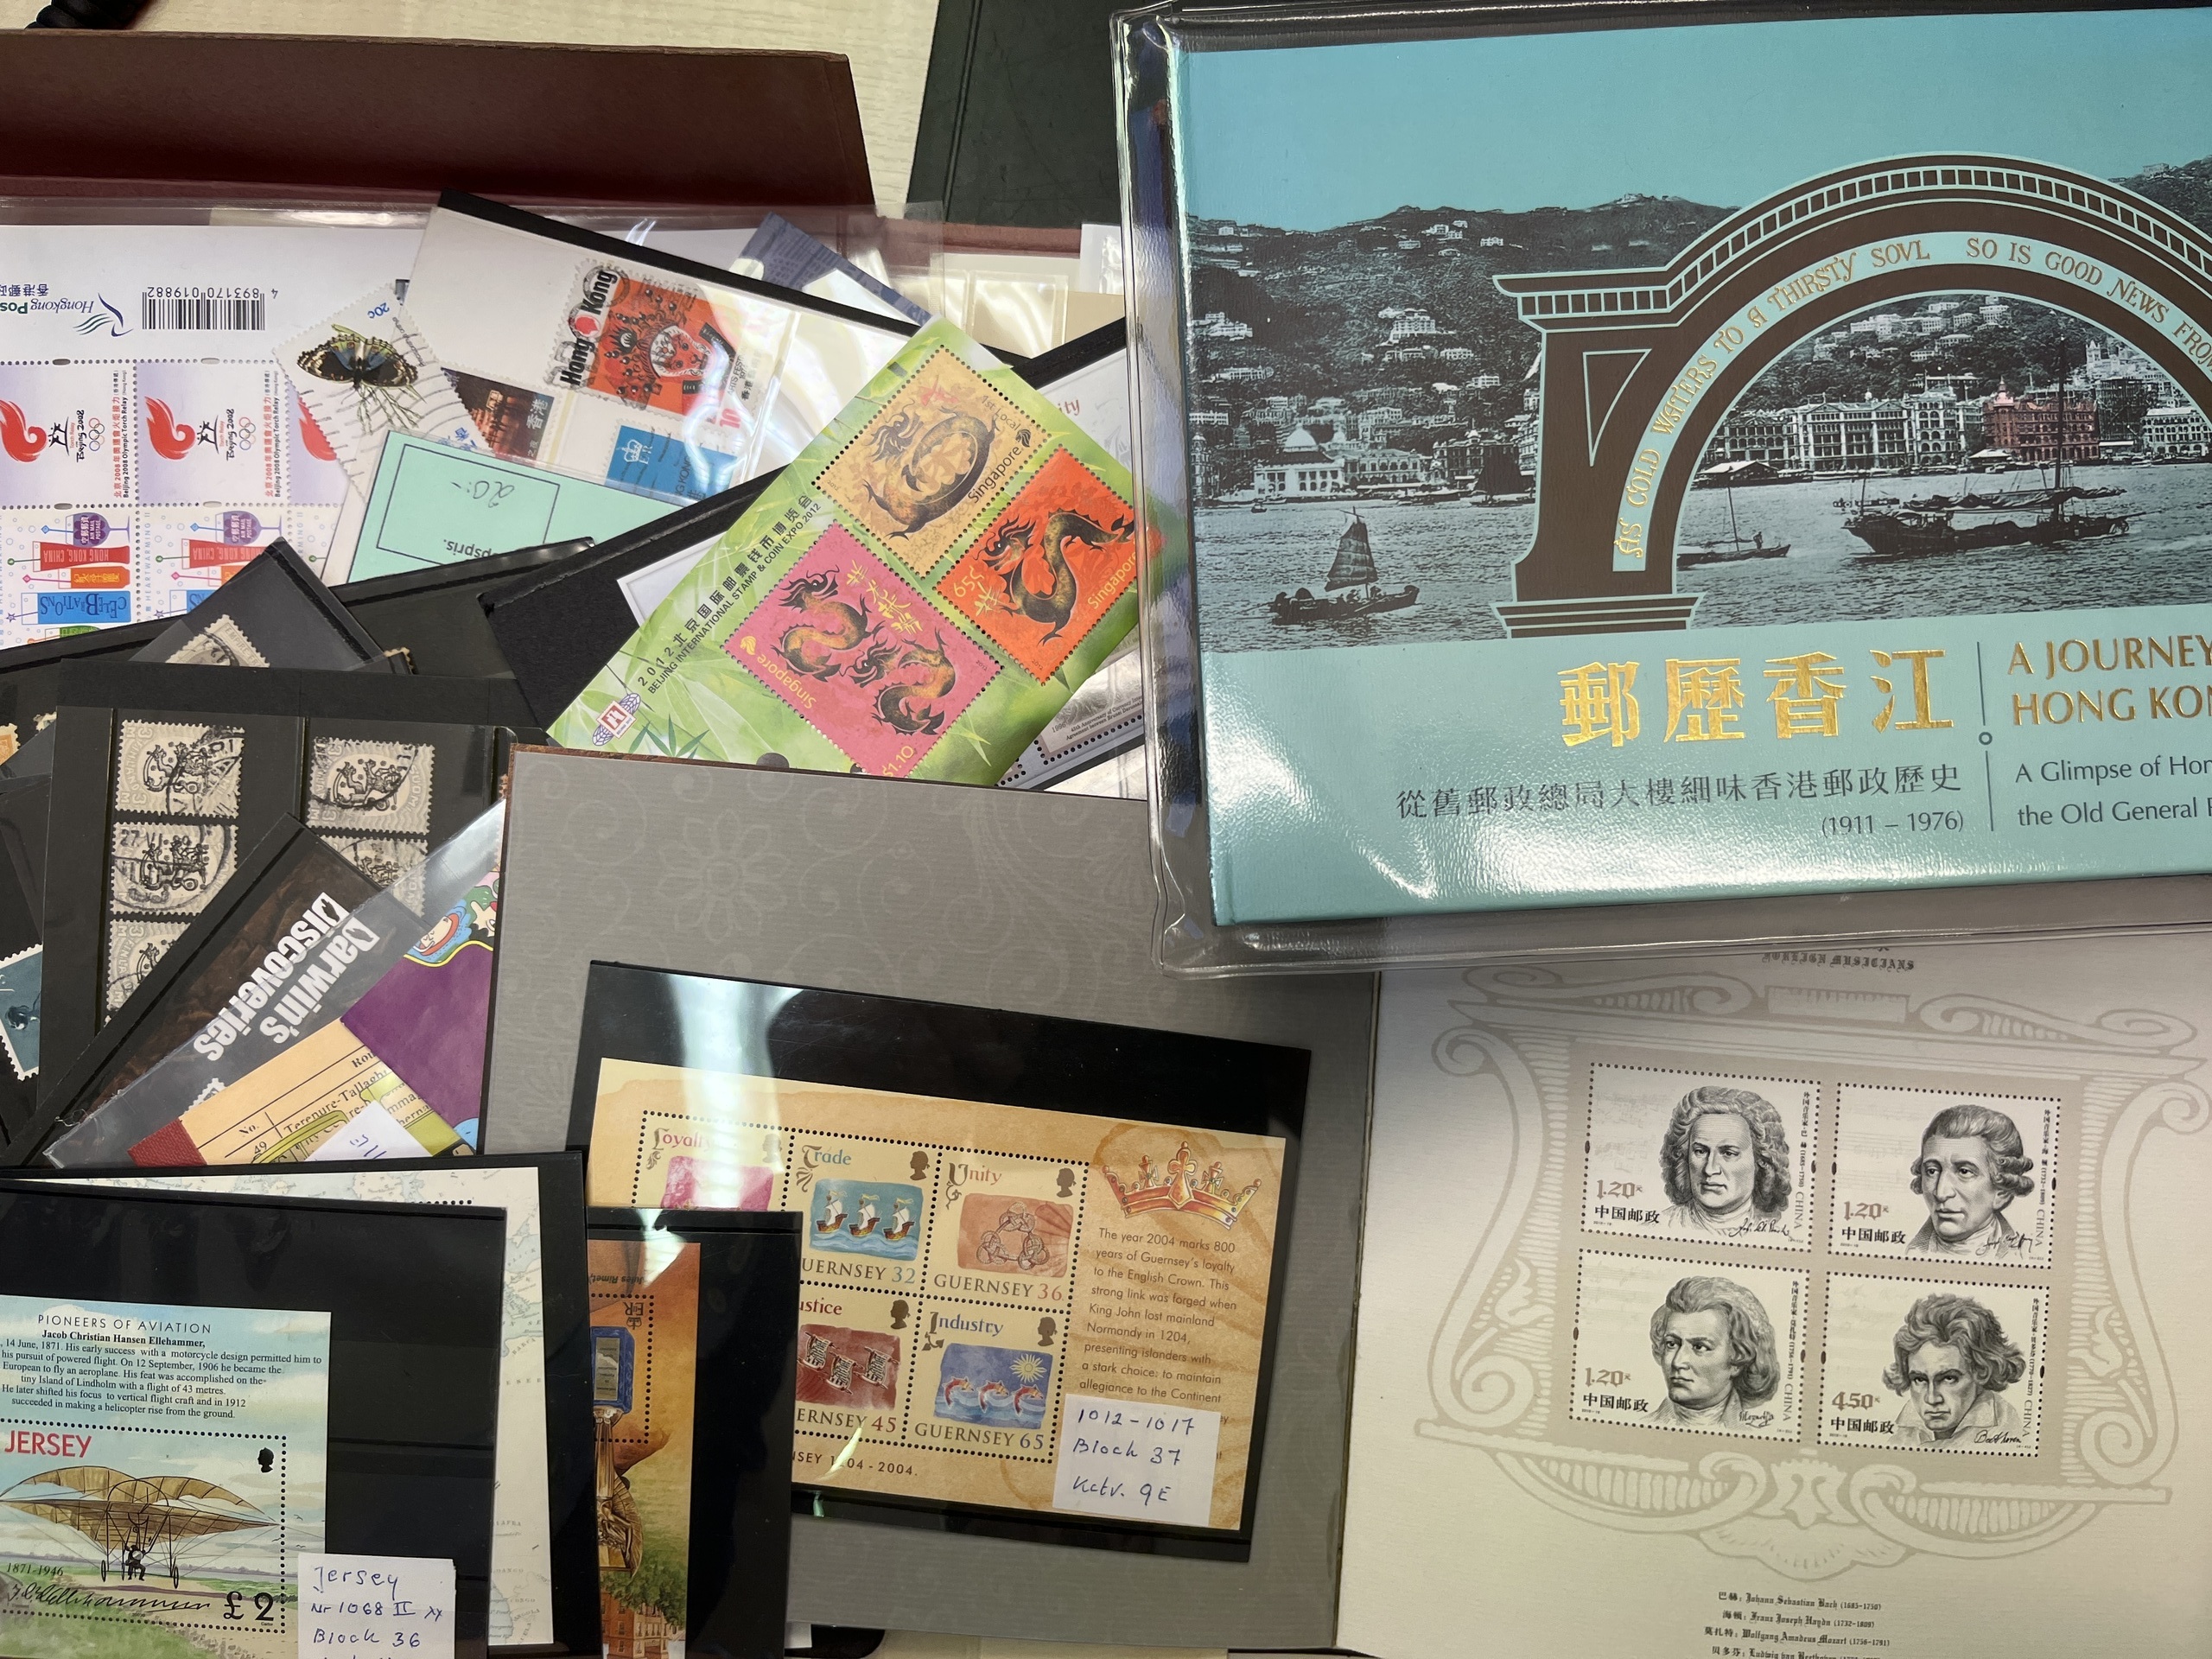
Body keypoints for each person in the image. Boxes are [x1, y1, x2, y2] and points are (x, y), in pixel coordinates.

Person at [1883, 1293, 2027, 1446]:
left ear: (1981, 1372)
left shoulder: (2007, 1429)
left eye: (1949, 1378)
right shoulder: (1903, 1432)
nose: (1932, 1399)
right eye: (1920, 1379)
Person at [1656, 1085, 1796, 1241]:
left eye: (1729, 1153)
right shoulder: (1658, 1228)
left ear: (1761, 1162)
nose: (1710, 1169)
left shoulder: (1782, 1236)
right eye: (1700, 1151)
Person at [1647, 1274, 1781, 1429]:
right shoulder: (1644, 1424)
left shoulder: (1757, 1432)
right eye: (1671, 1344)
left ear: (1738, 1359)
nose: (1678, 1362)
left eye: (1699, 1347)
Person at [1906, 1103, 2037, 1257]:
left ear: (2002, 1192)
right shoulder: (1910, 1252)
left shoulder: (2021, 1258)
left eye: (1964, 1172)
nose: (1941, 1193)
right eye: (1932, 1171)